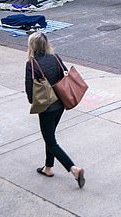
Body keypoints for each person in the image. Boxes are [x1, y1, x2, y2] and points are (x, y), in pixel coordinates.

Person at [25, 32, 85, 188]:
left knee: (50, 141)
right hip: (60, 104)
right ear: (46, 44)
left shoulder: (31, 64)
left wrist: (34, 102)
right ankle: (48, 168)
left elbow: (29, 90)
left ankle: (74, 169)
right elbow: (65, 75)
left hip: (46, 107)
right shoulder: (55, 58)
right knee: (50, 136)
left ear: (32, 46)